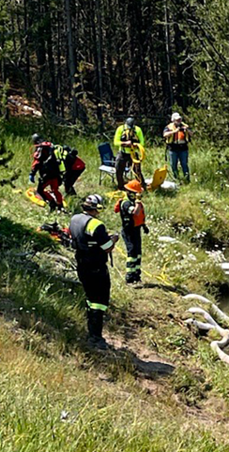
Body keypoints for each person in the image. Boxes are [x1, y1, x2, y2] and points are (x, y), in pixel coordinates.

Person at [69, 194, 120, 348]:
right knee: (99, 302)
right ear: (97, 208)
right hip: (96, 268)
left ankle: (91, 332)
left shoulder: (75, 219)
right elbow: (107, 247)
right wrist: (114, 239)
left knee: (90, 299)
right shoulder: (97, 225)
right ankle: (95, 337)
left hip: (82, 265)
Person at [114, 179, 149, 284]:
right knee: (132, 252)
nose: (138, 195)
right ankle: (129, 276)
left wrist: (144, 226)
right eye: (137, 193)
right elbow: (136, 212)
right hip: (128, 231)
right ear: (130, 192)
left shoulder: (134, 201)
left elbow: (139, 217)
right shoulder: (126, 203)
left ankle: (136, 275)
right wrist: (138, 201)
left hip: (136, 229)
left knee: (138, 252)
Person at [30, 134, 64, 211]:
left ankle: (52, 203)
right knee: (55, 190)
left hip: (47, 174)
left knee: (40, 190)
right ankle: (60, 206)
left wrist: (32, 173)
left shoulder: (40, 148)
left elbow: (37, 162)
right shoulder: (51, 146)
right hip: (56, 173)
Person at [112, 116, 146, 190]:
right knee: (118, 169)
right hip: (123, 152)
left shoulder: (138, 130)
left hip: (133, 153)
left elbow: (142, 143)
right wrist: (125, 143)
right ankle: (121, 186)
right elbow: (116, 142)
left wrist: (135, 145)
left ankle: (141, 185)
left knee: (137, 170)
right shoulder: (120, 129)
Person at [162, 112, 192, 183]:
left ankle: (187, 179)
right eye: (177, 120)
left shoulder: (185, 126)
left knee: (184, 164)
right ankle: (176, 179)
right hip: (173, 149)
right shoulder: (169, 127)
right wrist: (174, 131)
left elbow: (192, 134)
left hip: (183, 148)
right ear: (173, 120)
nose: (179, 121)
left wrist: (187, 130)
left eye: (179, 119)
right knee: (173, 165)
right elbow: (165, 134)